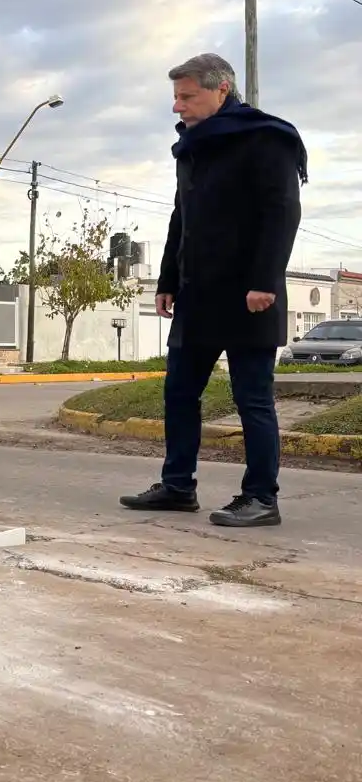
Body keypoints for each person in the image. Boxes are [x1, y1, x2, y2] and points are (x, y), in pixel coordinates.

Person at [120, 53, 305, 528]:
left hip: (248, 295)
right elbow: (183, 218)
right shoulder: (192, 148)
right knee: (179, 392)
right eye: (176, 97)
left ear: (221, 90)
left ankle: (262, 497)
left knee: (252, 399)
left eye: (187, 96)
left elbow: (281, 211)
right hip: (197, 295)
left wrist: (265, 280)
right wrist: (165, 280)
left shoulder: (266, 137)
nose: (177, 107)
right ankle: (178, 486)